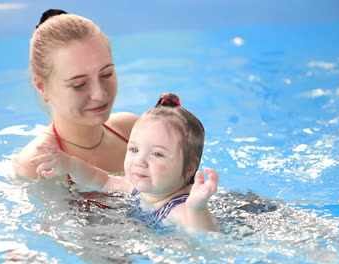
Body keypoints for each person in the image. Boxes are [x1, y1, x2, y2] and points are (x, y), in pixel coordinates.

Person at [30, 93, 219, 232]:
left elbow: (206, 238)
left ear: (189, 168)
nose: (140, 161)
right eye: (134, 150)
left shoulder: (178, 208)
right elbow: (101, 179)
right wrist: (69, 164)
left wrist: (197, 209)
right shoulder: (136, 186)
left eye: (157, 154)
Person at [13, 9, 138, 181]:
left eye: (106, 74)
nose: (100, 95)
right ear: (42, 87)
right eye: (79, 85)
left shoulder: (131, 131)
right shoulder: (37, 165)